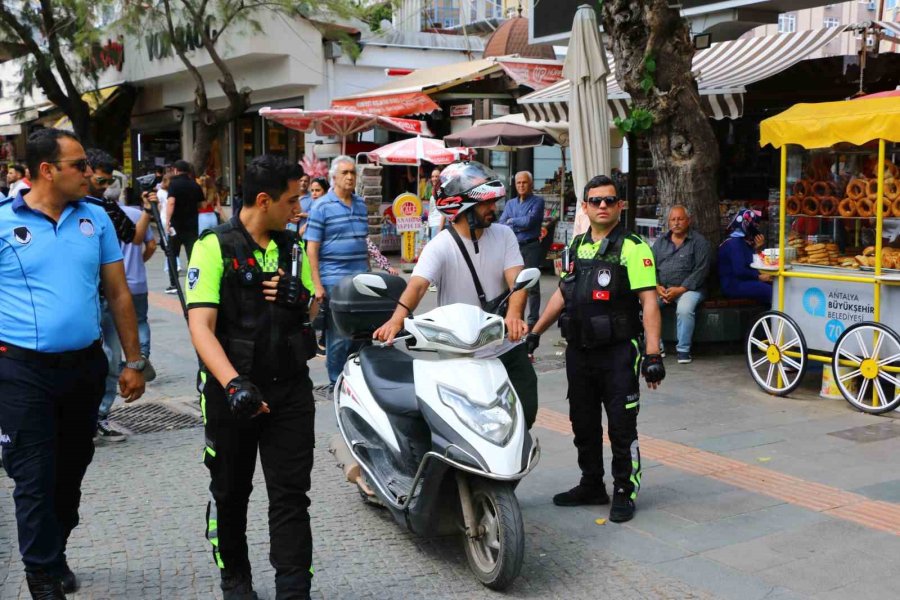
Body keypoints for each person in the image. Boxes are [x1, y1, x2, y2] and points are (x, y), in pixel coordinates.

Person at [0, 129, 146, 599]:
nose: (92, 173)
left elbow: (119, 292)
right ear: (48, 170)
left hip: (84, 367)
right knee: (34, 475)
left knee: (70, 471)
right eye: (80, 165)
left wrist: (133, 361)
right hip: (21, 371)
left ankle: (54, 550)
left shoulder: (96, 219)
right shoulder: (3, 222)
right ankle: (42, 578)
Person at [186, 154, 317, 600]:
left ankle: (294, 590)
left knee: (291, 496)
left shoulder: (292, 244)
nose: (298, 209)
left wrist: (302, 298)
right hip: (233, 394)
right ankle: (235, 581)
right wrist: (233, 384)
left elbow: (314, 304)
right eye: (292, 200)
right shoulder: (213, 246)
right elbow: (200, 327)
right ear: (264, 200)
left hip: (290, 391)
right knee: (230, 493)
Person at [527, 175, 664, 523]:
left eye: (609, 200)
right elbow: (562, 294)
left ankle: (624, 490)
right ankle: (591, 484)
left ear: (620, 205)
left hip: (619, 352)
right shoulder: (575, 248)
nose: (603, 205)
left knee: (621, 425)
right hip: (579, 352)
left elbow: (649, 302)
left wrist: (652, 355)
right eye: (596, 200)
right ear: (585, 207)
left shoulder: (634, 248)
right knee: (582, 423)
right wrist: (535, 332)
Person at [373, 161, 540, 429]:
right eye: (485, 204)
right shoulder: (440, 246)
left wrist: (514, 315)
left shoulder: (505, 235)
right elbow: (416, 285)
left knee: (525, 413)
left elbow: (517, 281)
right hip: (461, 353)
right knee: (464, 425)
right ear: (461, 207)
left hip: (506, 346)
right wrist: (397, 320)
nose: (493, 209)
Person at [85, 149, 157, 444]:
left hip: (110, 294)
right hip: (83, 301)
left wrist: (147, 212)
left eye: (106, 182)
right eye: (98, 179)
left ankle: (99, 416)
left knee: (111, 359)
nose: (100, 186)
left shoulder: (105, 208)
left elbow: (133, 237)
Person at [305, 156, 370, 385]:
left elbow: (364, 243)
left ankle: (358, 381)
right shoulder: (321, 205)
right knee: (339, 336)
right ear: (334, 177)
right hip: (334, 279)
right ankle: (336, 382)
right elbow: (311, 247)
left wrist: (370, 274)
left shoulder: (361, 204)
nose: (350, 177)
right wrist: (317, 284)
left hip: (361, 279)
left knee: (363, 334)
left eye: (353, 172)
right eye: (345, 173)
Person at [651, 205, 712, 364]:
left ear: (688, 221)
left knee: (684, 309)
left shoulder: (699, 242)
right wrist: (657, 286)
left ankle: (683, 351)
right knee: (648, 304)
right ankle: (656, 347)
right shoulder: (660, 242)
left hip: (690, 289)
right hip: (663, 288)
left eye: (680, 219)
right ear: (668, 222)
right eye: (673, 219)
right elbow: (650, 266)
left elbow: (701, 270)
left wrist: (680, 289)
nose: (676, 223)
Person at [499, 171, 546, 331]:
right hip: (513, 247)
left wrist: (512, 221)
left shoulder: (538, 202)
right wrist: (517, 222)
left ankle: (533, 320)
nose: (521, 185)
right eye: (518, 183)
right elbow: (501, 223)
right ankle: (514, 317)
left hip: (530, 246)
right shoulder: (510, 203)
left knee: (532, 285)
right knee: (512, 284)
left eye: (524, 182)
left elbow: (529, 222)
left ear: (530, 184)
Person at [718, 208, 773, 306]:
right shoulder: (734, 243)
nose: (756, 230)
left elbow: (752, 264)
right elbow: (740, 270)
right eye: (754, 226)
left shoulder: (743, 242)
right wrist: (759, 277)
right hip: (733, 285)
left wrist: (757, 249)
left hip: (743, 281)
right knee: (770, 291)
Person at [165, 159, 204, 293]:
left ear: (175, 170)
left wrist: (167, 221)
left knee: (172, 254)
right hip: (192, 225)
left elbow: (171, 203)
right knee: (193, 255)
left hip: (176, 225)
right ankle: (195, 282)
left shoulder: (173, 184)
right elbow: (201, 204)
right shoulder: (195, 185)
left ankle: (174, 284)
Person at [426, 167, 444, 241]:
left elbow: (444, 210)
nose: (434, 178)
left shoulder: (441, 191)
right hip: (432, 224)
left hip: (438, 224)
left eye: (437, 176)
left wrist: (440, 228)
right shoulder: (434, 190)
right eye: (432, 176)